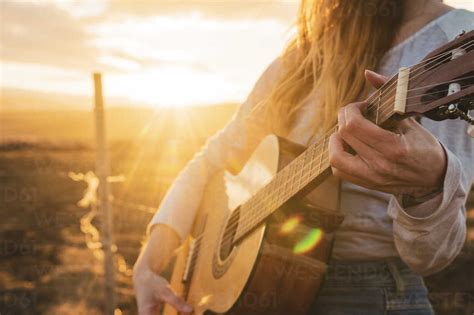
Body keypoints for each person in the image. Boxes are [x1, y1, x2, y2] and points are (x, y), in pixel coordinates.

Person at [133, 1, 474, 314]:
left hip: (369, 295)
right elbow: (214, 159)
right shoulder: (302, 56)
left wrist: (428, 190)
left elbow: (431, 256)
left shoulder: (454, 41)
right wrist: (148, 264)